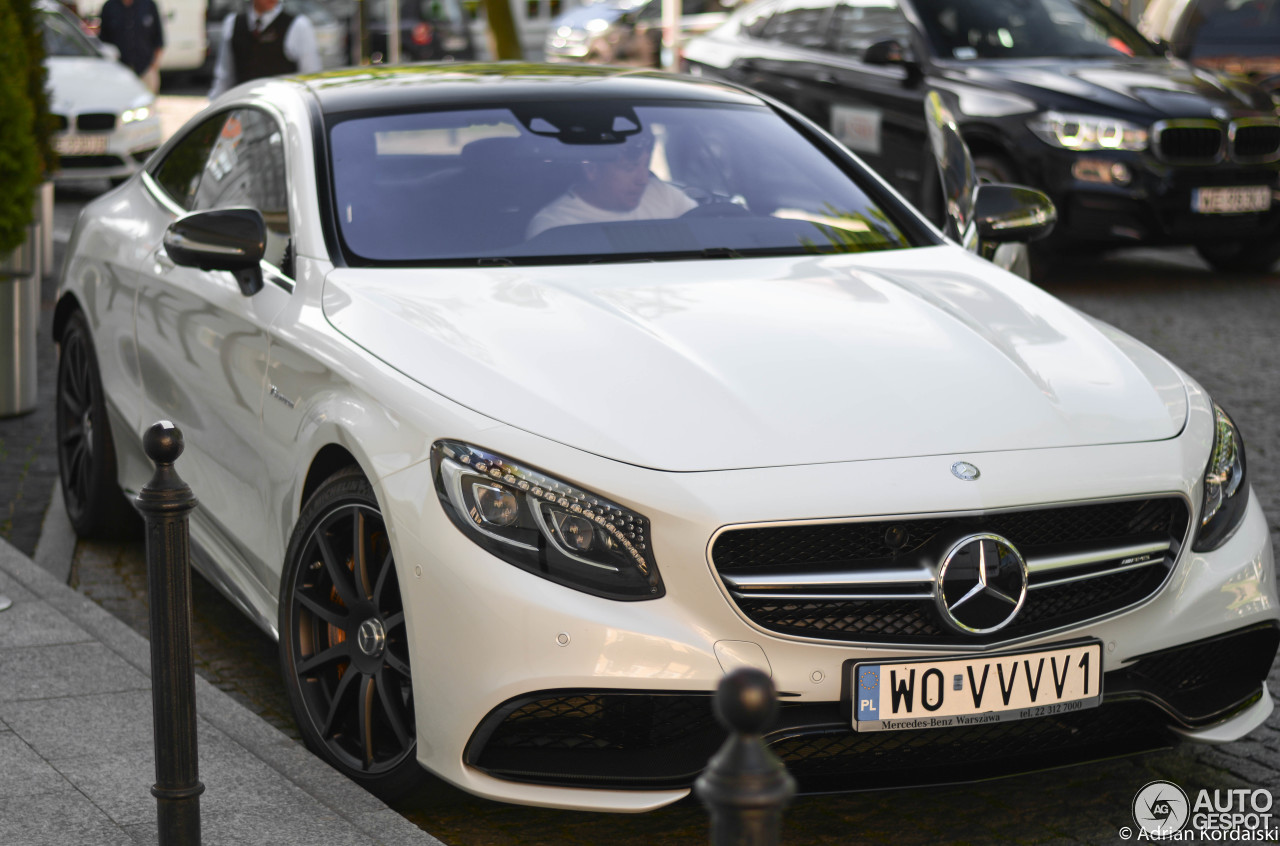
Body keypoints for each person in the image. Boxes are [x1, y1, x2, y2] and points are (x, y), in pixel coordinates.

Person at [526, 133, 697, 239]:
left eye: (646, 165)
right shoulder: (554, 228)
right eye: (629, 168)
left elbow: (705, 227)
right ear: (591, 169)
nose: (643, 179)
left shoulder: (663, 195)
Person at [209, 0, 322, 99]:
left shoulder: (298, 25)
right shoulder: (233, 23)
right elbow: (224, 77)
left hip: (282, 112)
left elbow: (310, 78)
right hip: (244, 110)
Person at [97, 0, 164, 94]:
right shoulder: (109, 7)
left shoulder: (148, 5)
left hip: (146, 69)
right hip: (120, 71)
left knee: (147, 105)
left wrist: (153, 66)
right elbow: (104, 42)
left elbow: (158, 39)